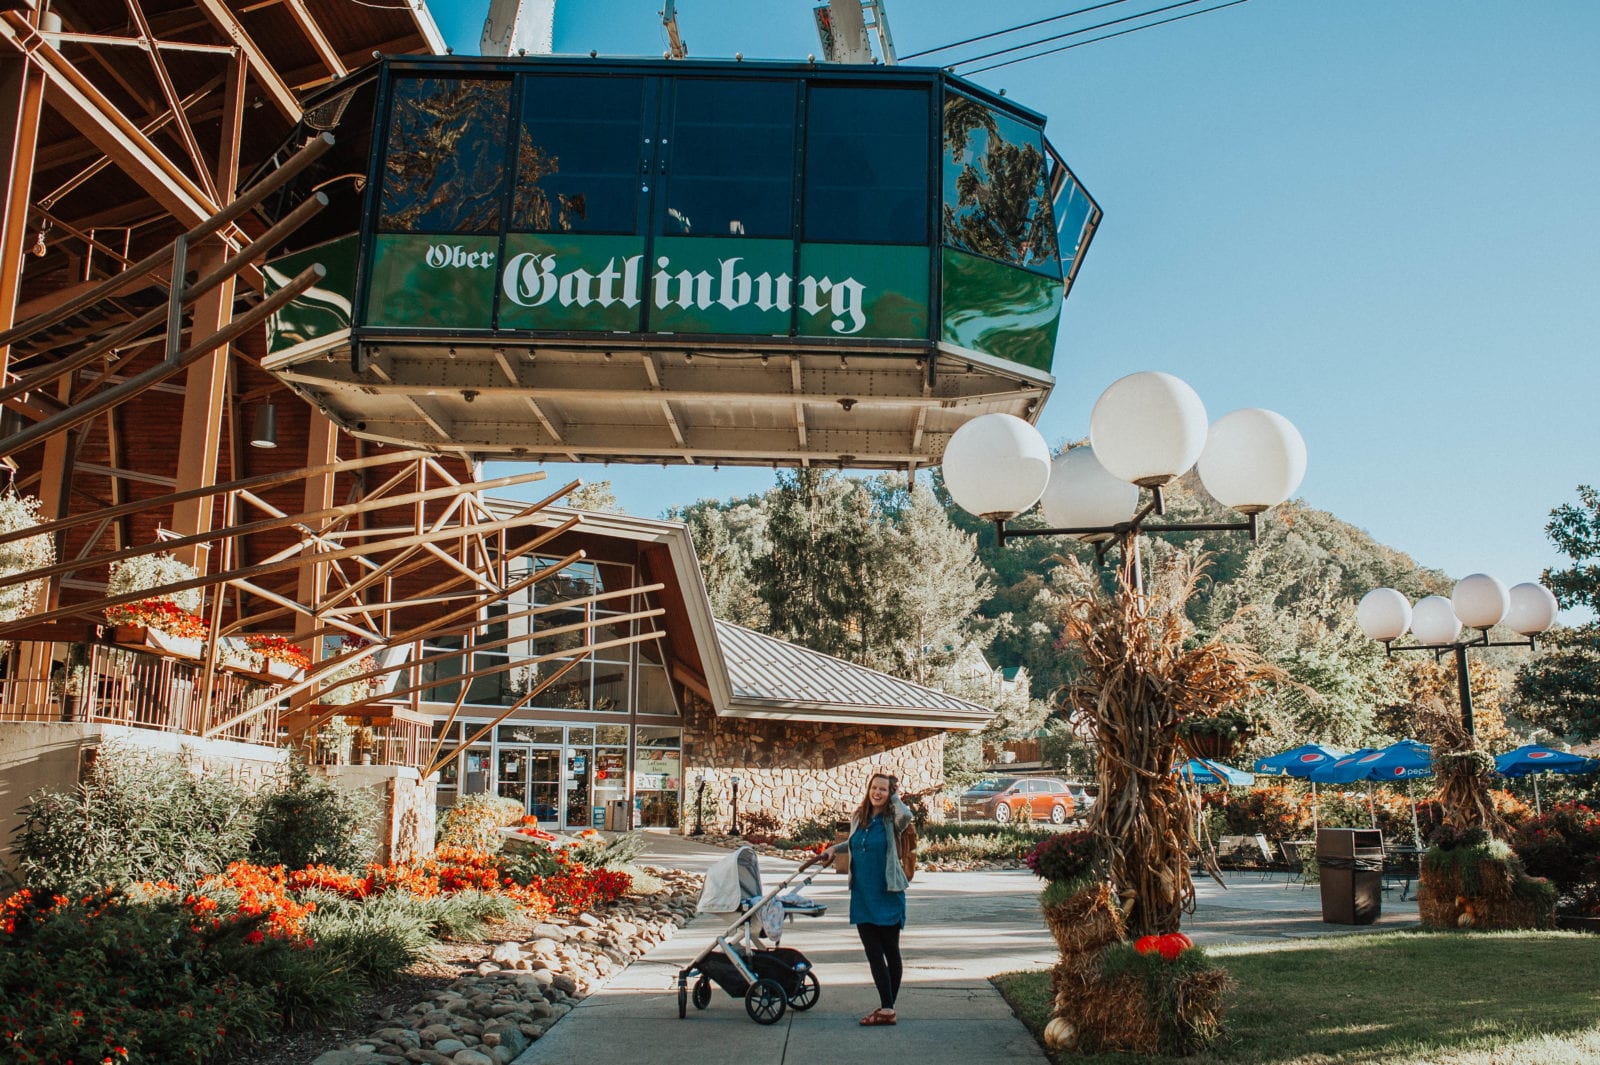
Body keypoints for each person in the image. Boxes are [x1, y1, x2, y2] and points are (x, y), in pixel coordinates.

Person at [799, 771, 912, 1026]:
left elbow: (907, 815)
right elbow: (852, 844)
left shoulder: (893, 819)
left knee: (891, 951)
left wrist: (895, 796)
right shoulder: (858, 817)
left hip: (887, 893)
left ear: (890, 793)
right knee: (873, 953)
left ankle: (886, 1008)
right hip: (862, 894)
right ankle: (887, 1008)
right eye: (874, 788)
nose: (878, 793)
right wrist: (832, 850)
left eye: (883, 789)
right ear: (868, 789)